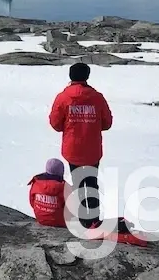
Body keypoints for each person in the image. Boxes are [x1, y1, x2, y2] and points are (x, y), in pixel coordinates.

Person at [48, 61, 112, 228]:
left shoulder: (63, 97)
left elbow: (55, 124)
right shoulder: (97, 97)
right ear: (87, 76)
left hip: (72, 149)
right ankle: (94, 219)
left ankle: (82, 219)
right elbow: (107, 123)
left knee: (77, 183)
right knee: (91, 183)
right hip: (92, 149)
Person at [28, 157, 71, 227]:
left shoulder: (37, 183)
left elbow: (32, 201)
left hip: (41, 219)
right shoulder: (64, 187)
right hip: (60, 222)